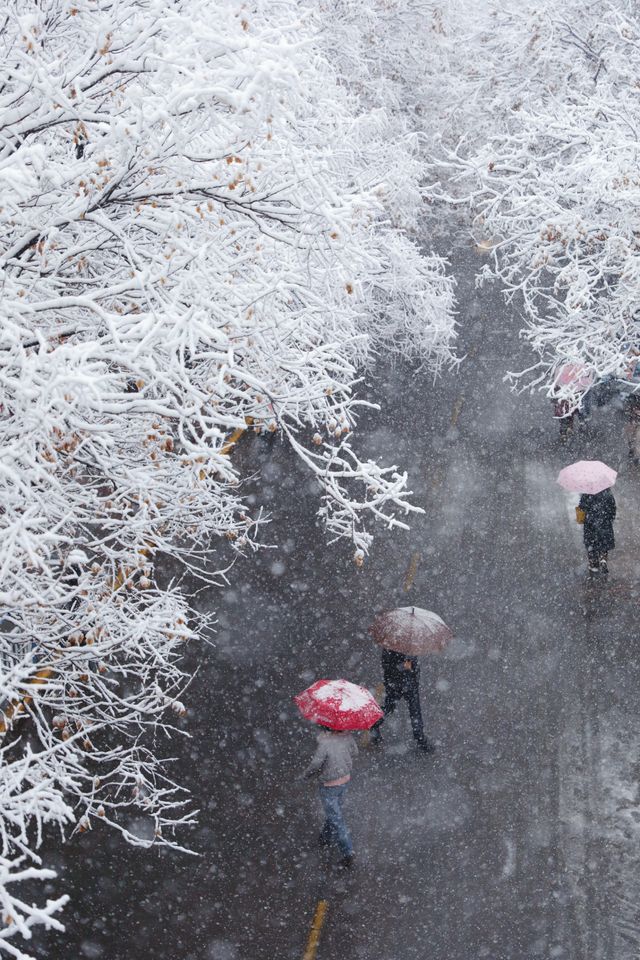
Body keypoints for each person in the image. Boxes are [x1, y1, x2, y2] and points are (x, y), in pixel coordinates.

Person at [304, 726, 357, 868]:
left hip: (329, 785)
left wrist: (307, 775)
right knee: (334, 810)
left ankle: (348, 853)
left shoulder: (325, 743)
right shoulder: (348, 736)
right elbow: (354, 752)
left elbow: (315, 764)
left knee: (337, 819)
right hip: (344, 780)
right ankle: (325, 837)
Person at [370, 648, 435, 753]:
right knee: (389, 707)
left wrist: (413, 672)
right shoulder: (390, 646)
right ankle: (374, 724)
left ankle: (420, 739)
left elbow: (414, 665)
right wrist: (402, 667)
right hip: (395, 684)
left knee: (415, 711)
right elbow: (386, 666)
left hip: (410, 684)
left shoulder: (411, 645)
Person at [578, 487, 617, 575]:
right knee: (604, 543)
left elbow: (581, 508)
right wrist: (609, 519)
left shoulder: (586, 493)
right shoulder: (607, 492)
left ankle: (593, 564)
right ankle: (603, 559)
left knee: (591, 544)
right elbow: (613, 508)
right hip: (605, 522)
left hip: (590, 524)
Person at [623, 393, 640, 465]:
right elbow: (627, 408)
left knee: (636, 440)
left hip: (636, 423)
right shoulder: (633, 395)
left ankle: (636, 456)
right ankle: (633, 451)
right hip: (633, 422)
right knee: (629, 438)